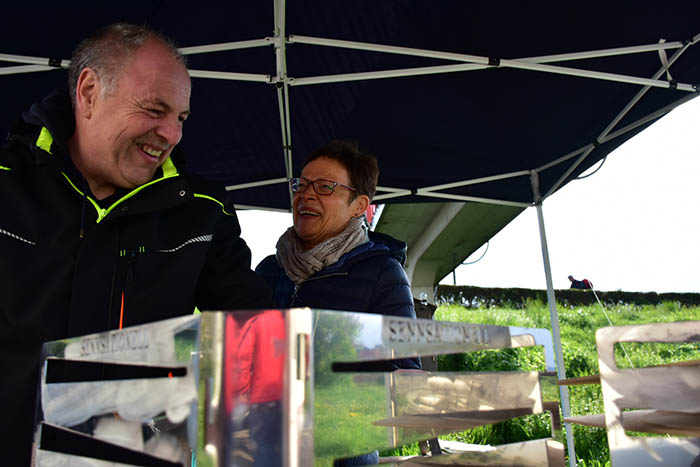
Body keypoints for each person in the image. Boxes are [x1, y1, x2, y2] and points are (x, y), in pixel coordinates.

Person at [0, 23, 271, 464]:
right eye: (154, 110)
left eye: (180, 118)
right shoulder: (7, 185)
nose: (172, 134)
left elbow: (257, 331)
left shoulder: (201, 211)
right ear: (88, 92)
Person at [256, 140, 420, 466]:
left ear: (359, 205)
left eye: (325, 187)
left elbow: (404, 373)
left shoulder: (382, 272)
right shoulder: (269, 269)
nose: (306, 195)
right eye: (300, 185)